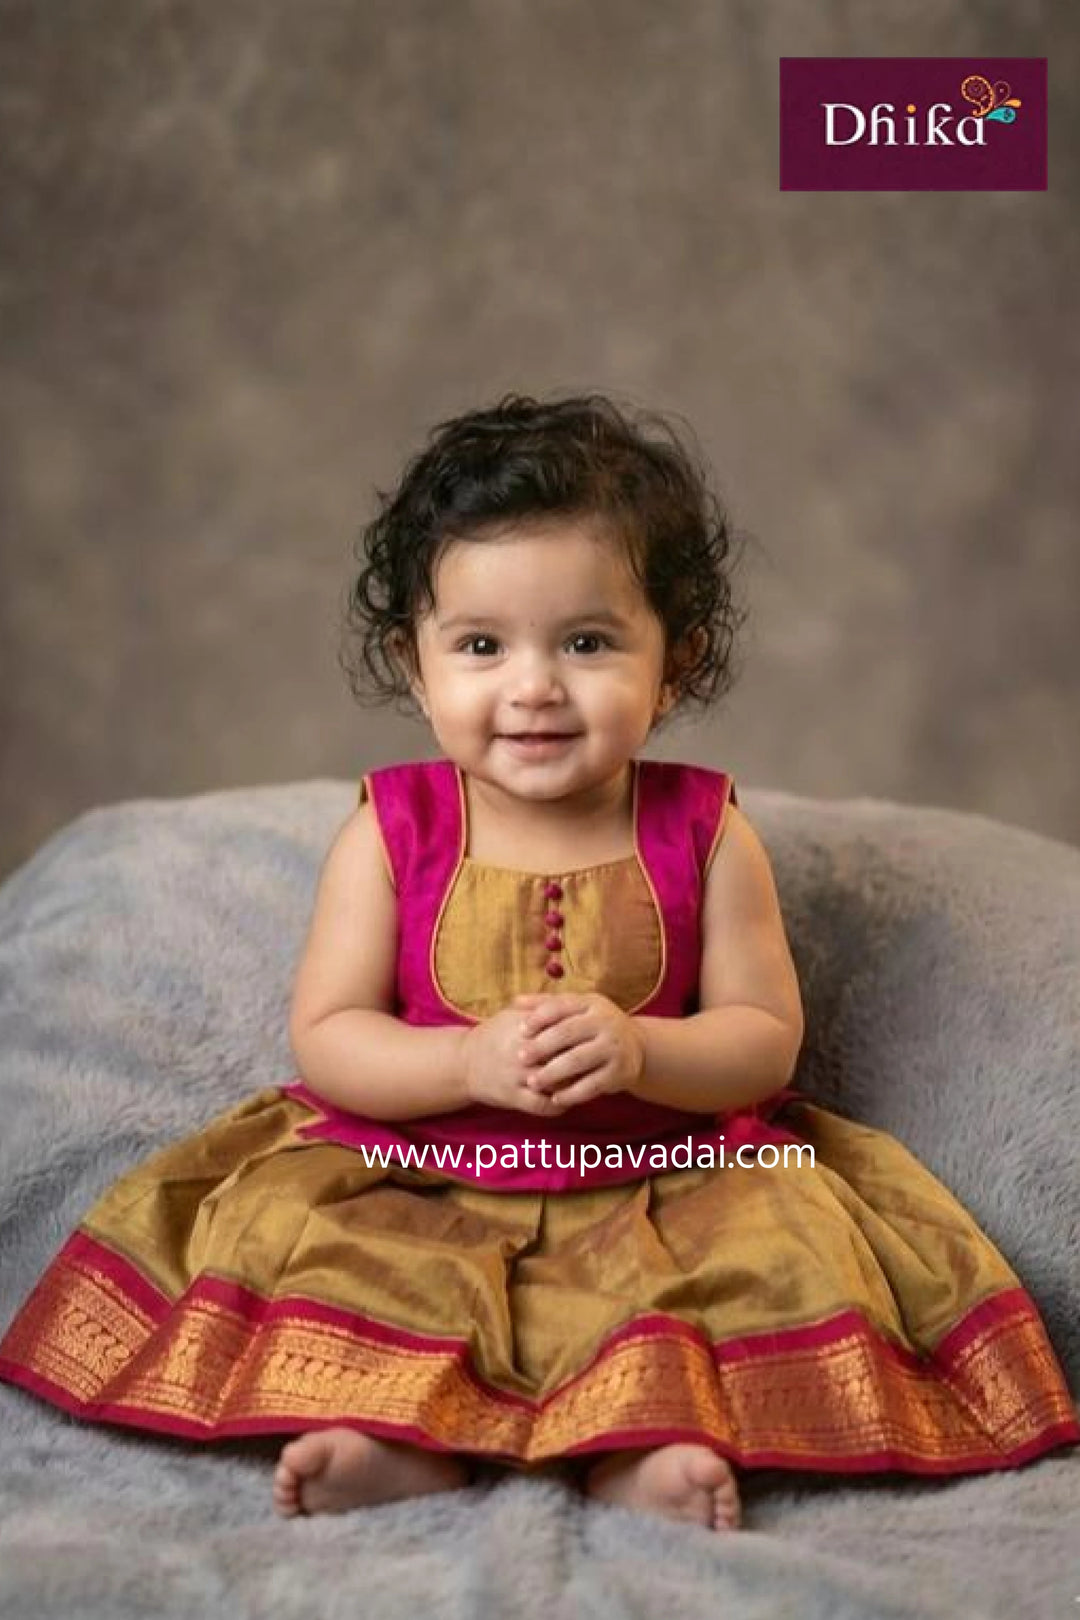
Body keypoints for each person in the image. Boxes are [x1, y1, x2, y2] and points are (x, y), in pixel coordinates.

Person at [1, 393, 1076, 1533]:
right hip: (422, 1170)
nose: (533, 686)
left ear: (676, 663)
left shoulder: (709, 834)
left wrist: (644, 1044)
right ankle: (395, 1437)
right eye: (480, 646)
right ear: (415, 672)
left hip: (662, 1169)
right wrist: (464, 1063)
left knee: (745, 1266)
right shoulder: (391, 829)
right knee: (353, 1260)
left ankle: (643, 1451)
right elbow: (330, 1034)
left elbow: (765, 1039)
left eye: (587, 641)